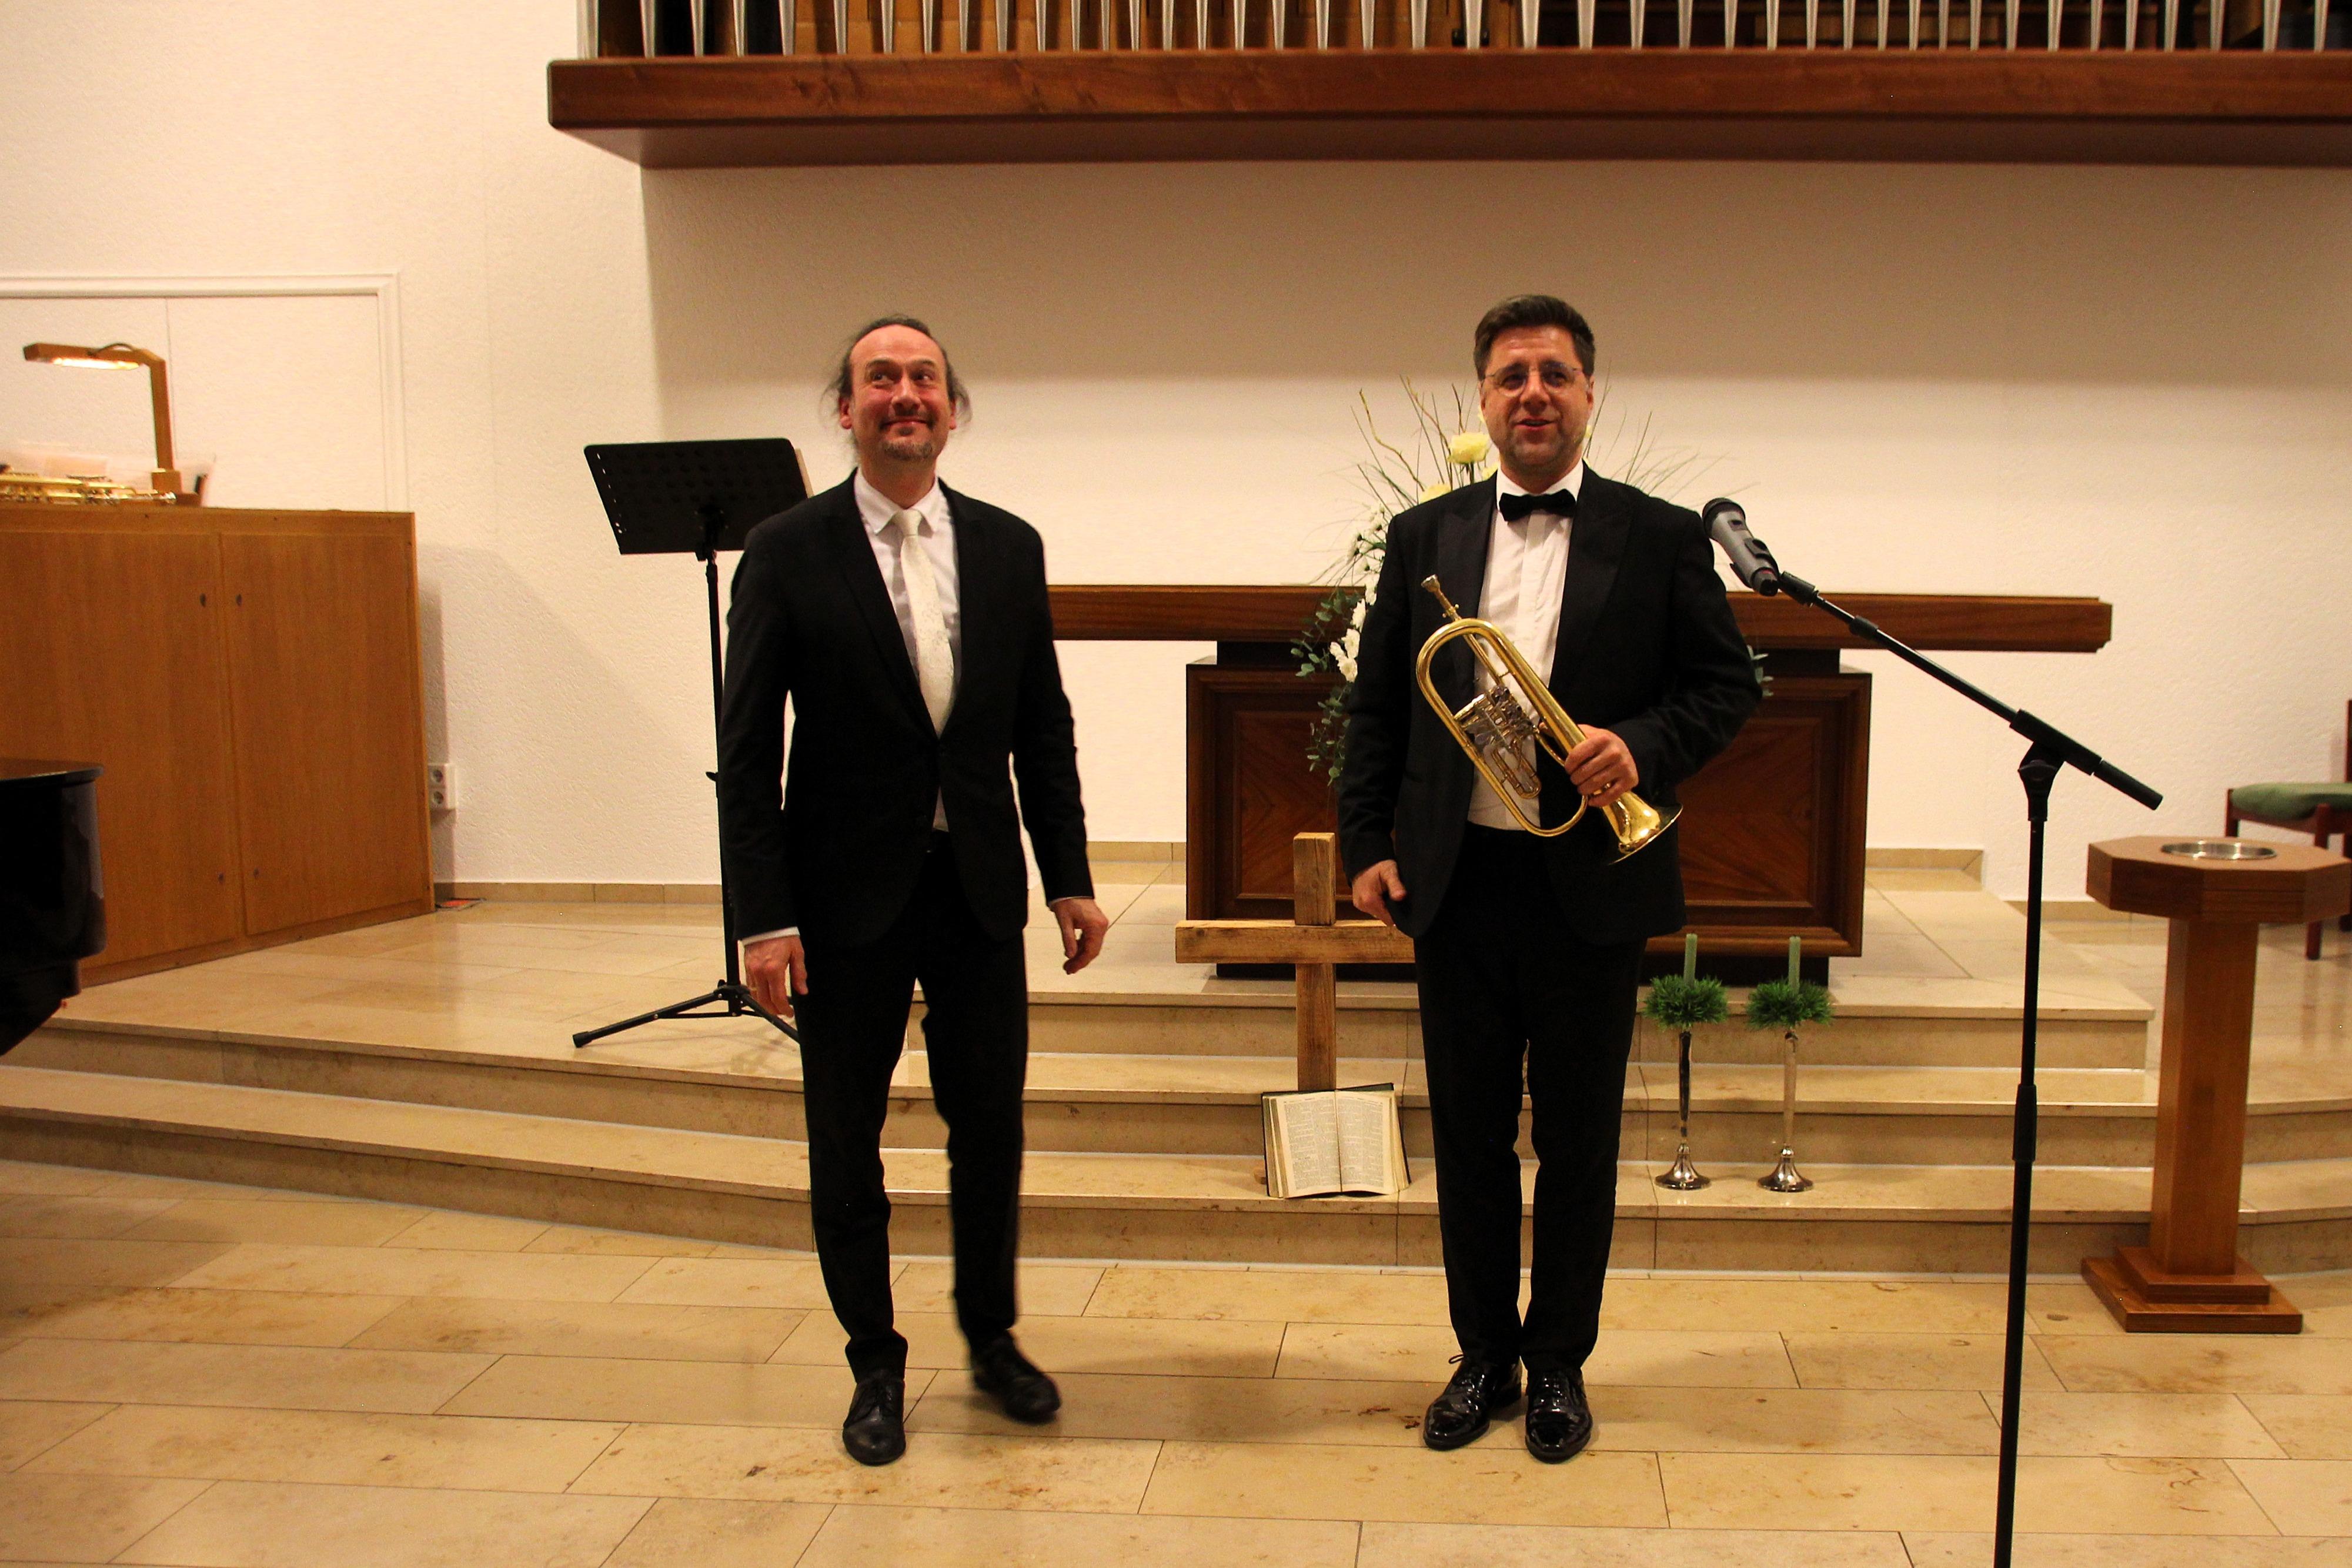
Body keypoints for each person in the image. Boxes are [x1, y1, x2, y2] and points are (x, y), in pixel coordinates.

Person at [1337, 295, 1759, 1462]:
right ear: (1483, 398)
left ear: (1589, 394)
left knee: (1577, 1140)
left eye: (1555, 374)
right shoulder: (1421, 534)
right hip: (1459, 879)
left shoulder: (1660, 534)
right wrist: (1367, 841)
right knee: (1469, 1139)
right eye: (1511, 375)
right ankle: (1482, 1354)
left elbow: (1725, 687)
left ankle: (1560, 1360)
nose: (1533, 393)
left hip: (1590, 881)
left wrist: (1643, 745)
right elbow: (1378, 706)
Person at [716, 315, 1110, 1467]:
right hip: (840, 898)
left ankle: (991, 1337)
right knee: (845, 1137)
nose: (905, 394)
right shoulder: (785, 549)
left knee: (989, 1130)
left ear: (951, 408)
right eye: (880, 378)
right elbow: (748, 750)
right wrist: (764, 916)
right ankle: (873, 1362)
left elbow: (1041, 725)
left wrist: (1070, 876)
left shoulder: (1005, 546)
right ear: (845, 410)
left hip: (976, 887)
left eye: (924, 378)